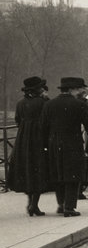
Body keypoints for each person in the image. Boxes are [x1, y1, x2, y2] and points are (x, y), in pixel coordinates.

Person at [42, 77, 88, 217]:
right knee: (72, 175)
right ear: (72, 90)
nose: (82, 91)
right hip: (72, 143)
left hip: (54, 143)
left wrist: (45, 144)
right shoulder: (78, 104)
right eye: (80, 88)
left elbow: (43, 127)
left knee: (58, 174)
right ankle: (69, 207)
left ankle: (61, 204)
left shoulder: (49, 104)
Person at [9, 76, 51, 216]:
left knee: (27, 170)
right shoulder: (43, 102)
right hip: (38, 139)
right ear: (38, 89)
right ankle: (34, 204)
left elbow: (17, 120)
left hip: (23, 140)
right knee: (39, 170)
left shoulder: (20, 103)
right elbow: (47, 120)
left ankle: (30, 202)